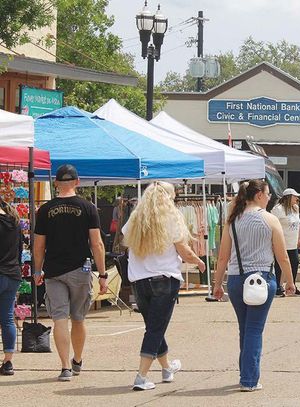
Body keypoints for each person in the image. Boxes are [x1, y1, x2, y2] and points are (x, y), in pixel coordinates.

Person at [122, 181, 205, 390]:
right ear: (169, 197)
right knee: (155, 329)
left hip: (139, 281)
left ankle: (167, 368)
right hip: (164, 279)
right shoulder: (172, 217)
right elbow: (183, 250)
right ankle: (141, 376)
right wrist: (198, 261)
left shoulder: (136, 218)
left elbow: (125, 241)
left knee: (154, 326)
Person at [213, 180, 295, 392]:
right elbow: (282, 256)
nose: (269, 198)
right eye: (268, 194)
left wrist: (217, 284)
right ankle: (249, 379)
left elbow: (222, 257)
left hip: (236, 280)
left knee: (245, 328)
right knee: (254, 330)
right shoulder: (270, 219)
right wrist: (290, 282)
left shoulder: (232, 221)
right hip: (261, 280)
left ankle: (245, 372)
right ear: (259, 195)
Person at [34, 164, 108, 381]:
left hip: (54, 271)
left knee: (59, 319)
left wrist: (37, 270)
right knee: (78, 318)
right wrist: (103, 274)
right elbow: (97, 244)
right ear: (77, 182)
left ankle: (65, 367)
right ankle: (77, 359)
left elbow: (39, 246)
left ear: (56, 184)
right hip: (80, 269)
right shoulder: (88, 207)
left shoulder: (45, 210)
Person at [0, 197, 22, 375]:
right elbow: (20, 250)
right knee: (7, 318)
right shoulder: (14, 221)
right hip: (13, 274)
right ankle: (8, 362)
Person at [271, 188, 300, 296]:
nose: (297, 199)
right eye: (295, 197)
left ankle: (292, 284)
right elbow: (273, 225)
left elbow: (298, 224)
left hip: (292, 242)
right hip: (281, 241)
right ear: (288, 197)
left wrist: (299, 238)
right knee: (280, 265)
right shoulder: (278, 209)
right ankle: (278, 286)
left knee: (294, 262)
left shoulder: (295, 208)